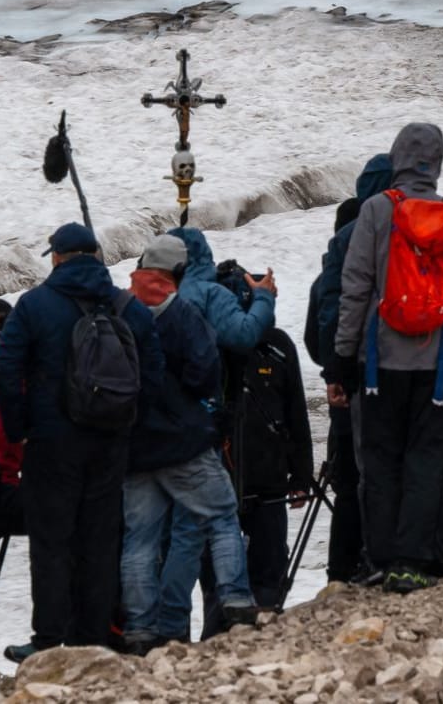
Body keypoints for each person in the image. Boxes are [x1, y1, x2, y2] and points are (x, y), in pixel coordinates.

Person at [0, 223, 165, 660]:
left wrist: (21, 430)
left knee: (52, 540)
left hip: (52, 442)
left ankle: (48, 640)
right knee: (100, 539)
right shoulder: (128, 306)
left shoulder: (33, 305)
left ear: (57, 257)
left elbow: (7, 372)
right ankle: (92, 637)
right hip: (110, 442)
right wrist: (128, 427)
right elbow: (154, 375)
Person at [334, 122, 443, 592]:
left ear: (398, 157)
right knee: (425, 458)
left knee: (381, 459)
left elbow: (356, 288)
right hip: (439, 366)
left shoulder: (377, 211)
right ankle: (412, 560)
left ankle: (381, 558)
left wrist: (344, 355)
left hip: (380, 363)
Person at [120, 234, 255, 651]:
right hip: (184, 442)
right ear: (178, 272)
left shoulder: (120, 310)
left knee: (139, 539)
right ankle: (235, 597)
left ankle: (141, 627)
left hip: (135, 447)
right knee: (221, 515)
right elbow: (205, 372)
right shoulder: (182, 315)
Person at [166, 227, 302, 614]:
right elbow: (243, 334)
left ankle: (168, 623)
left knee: (174, 534)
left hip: (167, 435)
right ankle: (239, 602)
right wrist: (262, 297)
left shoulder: (155, 298)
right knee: (221, 515)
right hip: (215, 431)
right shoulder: (209, 295)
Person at [304, 154, 392, 584]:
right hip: (405, 372)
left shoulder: (331, 270)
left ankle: (341, 571)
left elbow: (317, 338)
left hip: (348, 386)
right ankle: (388, 556)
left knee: (349, 482)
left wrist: (336, 367)